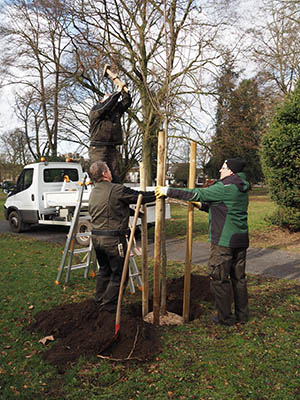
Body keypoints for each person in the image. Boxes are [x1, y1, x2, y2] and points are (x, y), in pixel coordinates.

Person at [155, 158, 250, 326]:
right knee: (239, 279)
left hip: (223, 241)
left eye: (223, 168)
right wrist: (201, 206)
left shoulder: (225, 187)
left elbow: (196, 193)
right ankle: (242, 316)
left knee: (219, 278)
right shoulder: (241, 186)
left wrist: (167, 190)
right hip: (240, 239)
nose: (220, 171)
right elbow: (222, 207)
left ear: (231, 171)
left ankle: (225, 319)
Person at [88, 160, 155, 312]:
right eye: (109, 170)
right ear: (105, 173)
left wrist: (131, 213)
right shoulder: (116, 189)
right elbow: (139, 197)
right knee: (120, 275)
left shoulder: (94, 191)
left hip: (96, 239)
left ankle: (99, 301)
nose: (111, 173)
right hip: (113, 240)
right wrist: (159, 194)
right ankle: (108, 306)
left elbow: (110, 209)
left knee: (104, 270)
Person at [88, 85, 132, 183]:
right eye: (108, 99)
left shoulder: (114, 112)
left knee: (115, 177)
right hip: (98, 149)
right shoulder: (96, 111)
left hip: (111, 148)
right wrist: (117, 92)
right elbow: (107, 105)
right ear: (101, 101)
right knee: (101, 177)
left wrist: (125, 91)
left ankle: (117, 197)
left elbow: (126, 102)